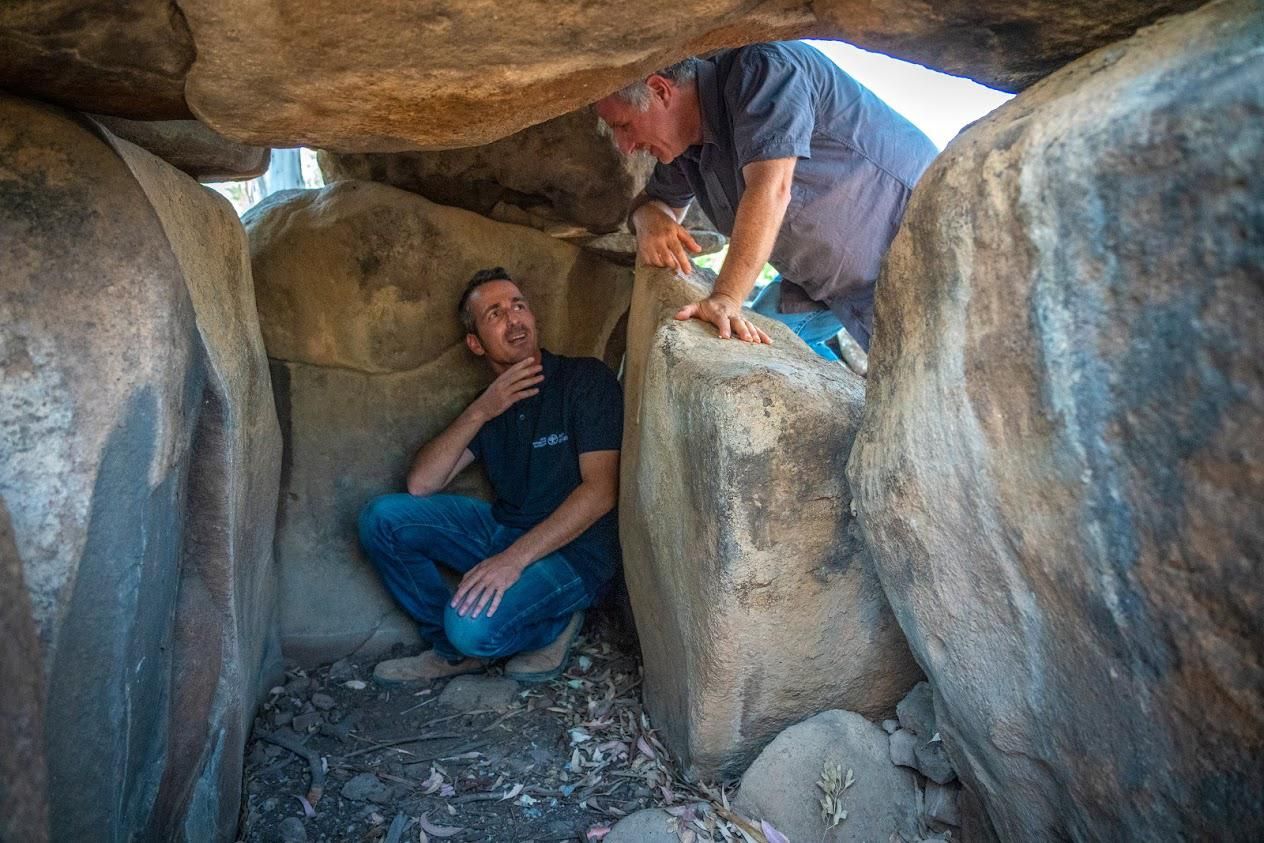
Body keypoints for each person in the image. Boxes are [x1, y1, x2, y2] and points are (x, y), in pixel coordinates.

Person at [358, 268, 623, 684]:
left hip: (574, 554)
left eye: (519, 305)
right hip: (505, 532)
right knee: (383, 518)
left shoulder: (583, 380)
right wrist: (482, 409)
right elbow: (421, 484)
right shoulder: (490, 405)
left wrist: (512, 562)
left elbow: (601, 491)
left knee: (471, 629)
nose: (514, 319)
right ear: (475, 343)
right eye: (495, 314)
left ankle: (553, 625)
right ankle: (451, 652)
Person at [594, 41, 938, 359]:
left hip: (910, 256)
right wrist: (649, 218)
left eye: (624, 126)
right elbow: (657, 202)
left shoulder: (763, 72)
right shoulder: (684, 146)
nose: (624, 147)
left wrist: (726, 297)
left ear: (660, 90)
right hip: (819, 285)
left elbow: (770, 189)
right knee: (753, 351)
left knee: (919, 381)